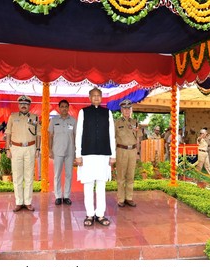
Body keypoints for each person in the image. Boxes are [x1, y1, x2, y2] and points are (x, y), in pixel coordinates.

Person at [75, 87, 116, 227]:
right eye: (94, 95)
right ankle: (89, 214)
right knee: (88, 186)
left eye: (99, 95)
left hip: (104, 155)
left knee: (101, 186)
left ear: (102, 97)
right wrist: (78, 155)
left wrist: (113, 155)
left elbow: (112, 135)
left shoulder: (108, 113)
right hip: (87, 155)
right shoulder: (83, 112)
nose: (97, 97)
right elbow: (78, 134)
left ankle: (100, 214)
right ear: (89, 97)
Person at [5, 95, 41, 212]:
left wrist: (38, 149)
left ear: (29, 105)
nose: (24, 106)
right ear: (18, 105)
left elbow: (38, 134)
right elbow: (8, 133)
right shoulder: (12, 117)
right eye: (21, 104)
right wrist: (7, 149)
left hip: (30, 147)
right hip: (16, 148)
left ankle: (28, 202)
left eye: (26, 104)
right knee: (17, 176)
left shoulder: (35, 117)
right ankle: (19, 202)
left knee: (29, 176)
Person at [114, 99, 142, 208]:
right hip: (121, 151)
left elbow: (138, 138)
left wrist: (138, 152)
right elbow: (113, 138)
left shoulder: (135, 122)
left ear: (131, 110)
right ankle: (121, 199)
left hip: (133, 151)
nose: (127, 111)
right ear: (121, 110)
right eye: (125, 109)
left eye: (128, 108)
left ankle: (129, 198)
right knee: (121, 176)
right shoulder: (117, 123)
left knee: (131, 175)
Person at [48, 99, 77, 206]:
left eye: (66, 106)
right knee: (57, 175)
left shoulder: (73, 120)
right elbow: (50, 136)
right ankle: (58, 196)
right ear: (59, 108)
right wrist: (50, 150)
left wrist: (76, 151)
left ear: (68, 108)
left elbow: (76, 136)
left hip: (70, 151)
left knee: (69, 174)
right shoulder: (54, 120)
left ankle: (67, 196)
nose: (64, 108)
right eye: (62, 106)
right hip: (57, 151)